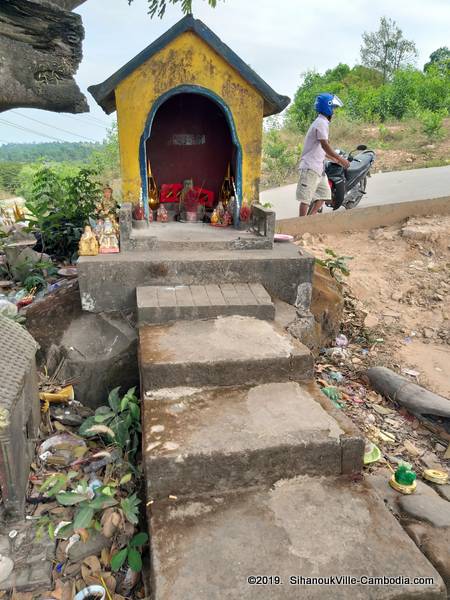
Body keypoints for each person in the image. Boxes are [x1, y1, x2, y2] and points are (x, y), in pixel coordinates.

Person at [297, 93, 350, 217]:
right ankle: (301, 223)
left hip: (318, 169)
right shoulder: (321, 123)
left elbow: (322, 149)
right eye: (333, 109)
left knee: (324, 194)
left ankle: (311, 218)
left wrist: (333, 159)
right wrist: (340, 159)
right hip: (310, 167)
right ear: (328, 108)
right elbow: (325, 145)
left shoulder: (323, 123)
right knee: (305, 199)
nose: (334, 112)